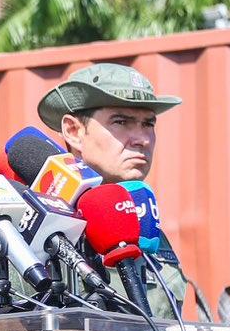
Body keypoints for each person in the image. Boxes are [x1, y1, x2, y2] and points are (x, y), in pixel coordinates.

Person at [37, 62, 190, 317]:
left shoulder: (148, 229)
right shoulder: (39, 231)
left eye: (148, 124)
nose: (142, 139)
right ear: (74, 131)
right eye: (120, 121)